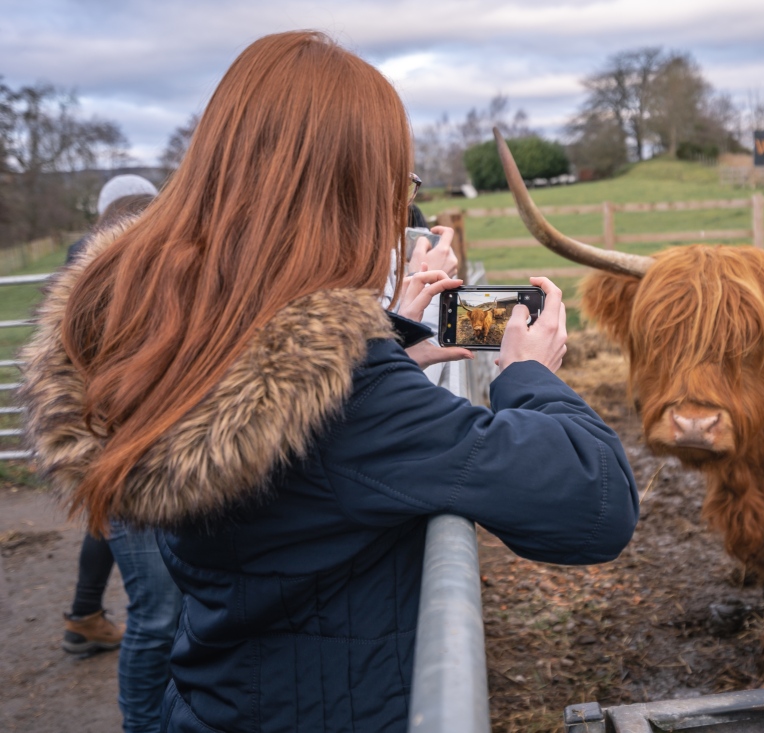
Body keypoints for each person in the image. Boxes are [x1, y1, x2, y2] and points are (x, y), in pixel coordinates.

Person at [19, 30, 638, 733]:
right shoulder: (352, 400)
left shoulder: (171, 339)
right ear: (347, 195)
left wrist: (387, 344)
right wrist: (526, 370)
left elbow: (287, 443)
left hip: (207, 702)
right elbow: (596, 499)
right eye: (395, 187)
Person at [62, 177, 184, 733]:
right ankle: (141, 723)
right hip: (128, 467)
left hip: (166, 465)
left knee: (171, 608)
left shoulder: (161, 284)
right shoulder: (95, 296)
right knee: (157, 614)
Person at [60, 176, 161, 657]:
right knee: (157, 613)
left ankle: (84, 614)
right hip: (133, 427)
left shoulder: (80, 255)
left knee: (106, 517)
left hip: (99, 424)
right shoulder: (140, 256)